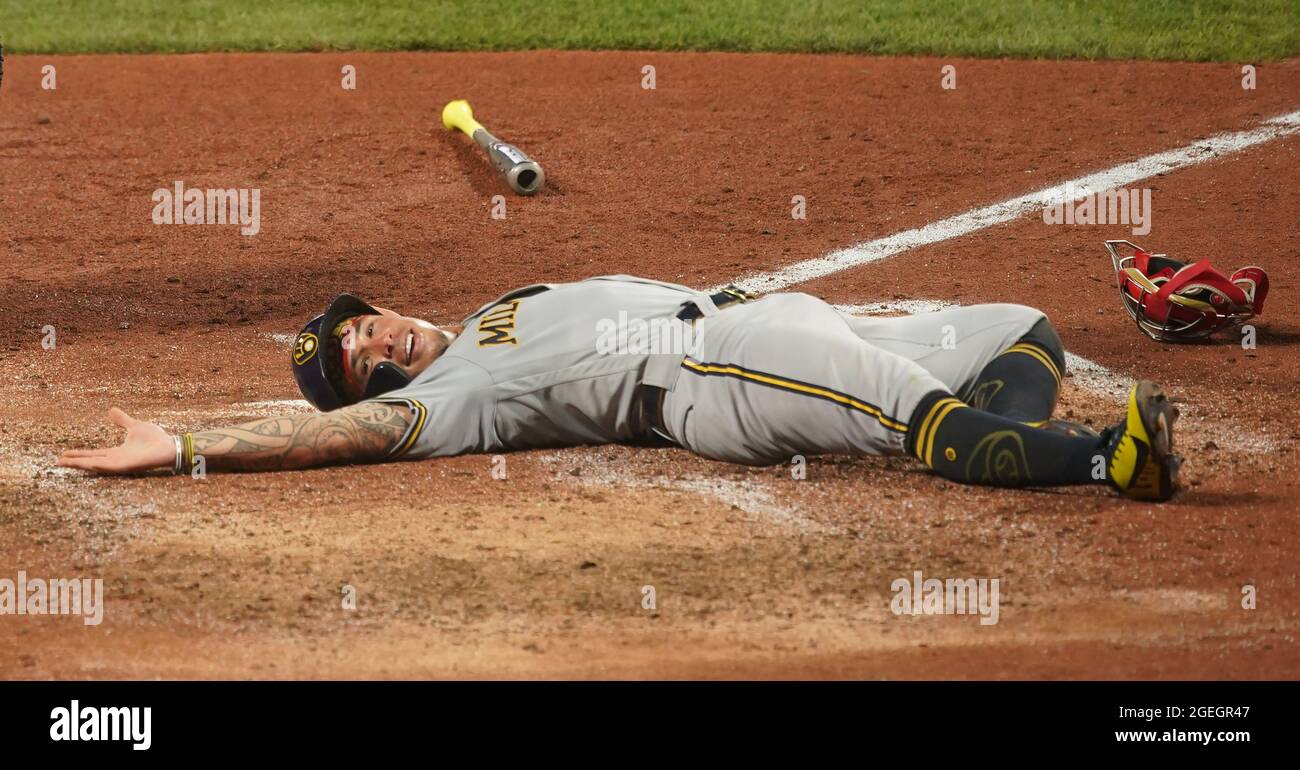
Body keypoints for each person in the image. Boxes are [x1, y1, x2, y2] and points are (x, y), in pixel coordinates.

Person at [58, 275, 1180, 501]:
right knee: (913, 417)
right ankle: (1102, 461)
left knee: (1017, 325)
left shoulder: (493, 309)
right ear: (380, 381)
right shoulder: (461, 397)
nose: (376, 336)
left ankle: (1013, 430)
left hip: (763, 314)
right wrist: (194, 446)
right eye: (360, 355)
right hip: (714, 374)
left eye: (362, 321)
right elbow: (349, 438)